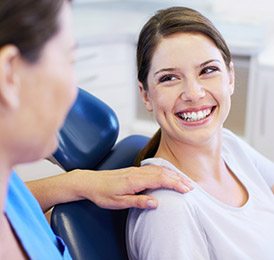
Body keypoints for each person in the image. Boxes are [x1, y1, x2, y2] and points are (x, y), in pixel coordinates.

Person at [0, 1, 193, 259]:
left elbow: (18, 200)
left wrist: (78, 182)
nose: (73, 94)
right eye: (68, 61)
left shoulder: (9, 188)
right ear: (9, 75)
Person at [126, 6, 274, 260]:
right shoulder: (168, 211)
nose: (194, 93)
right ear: (145, 95)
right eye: (169, 78)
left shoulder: (229, 146)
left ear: (230, 77)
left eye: (208, 70)